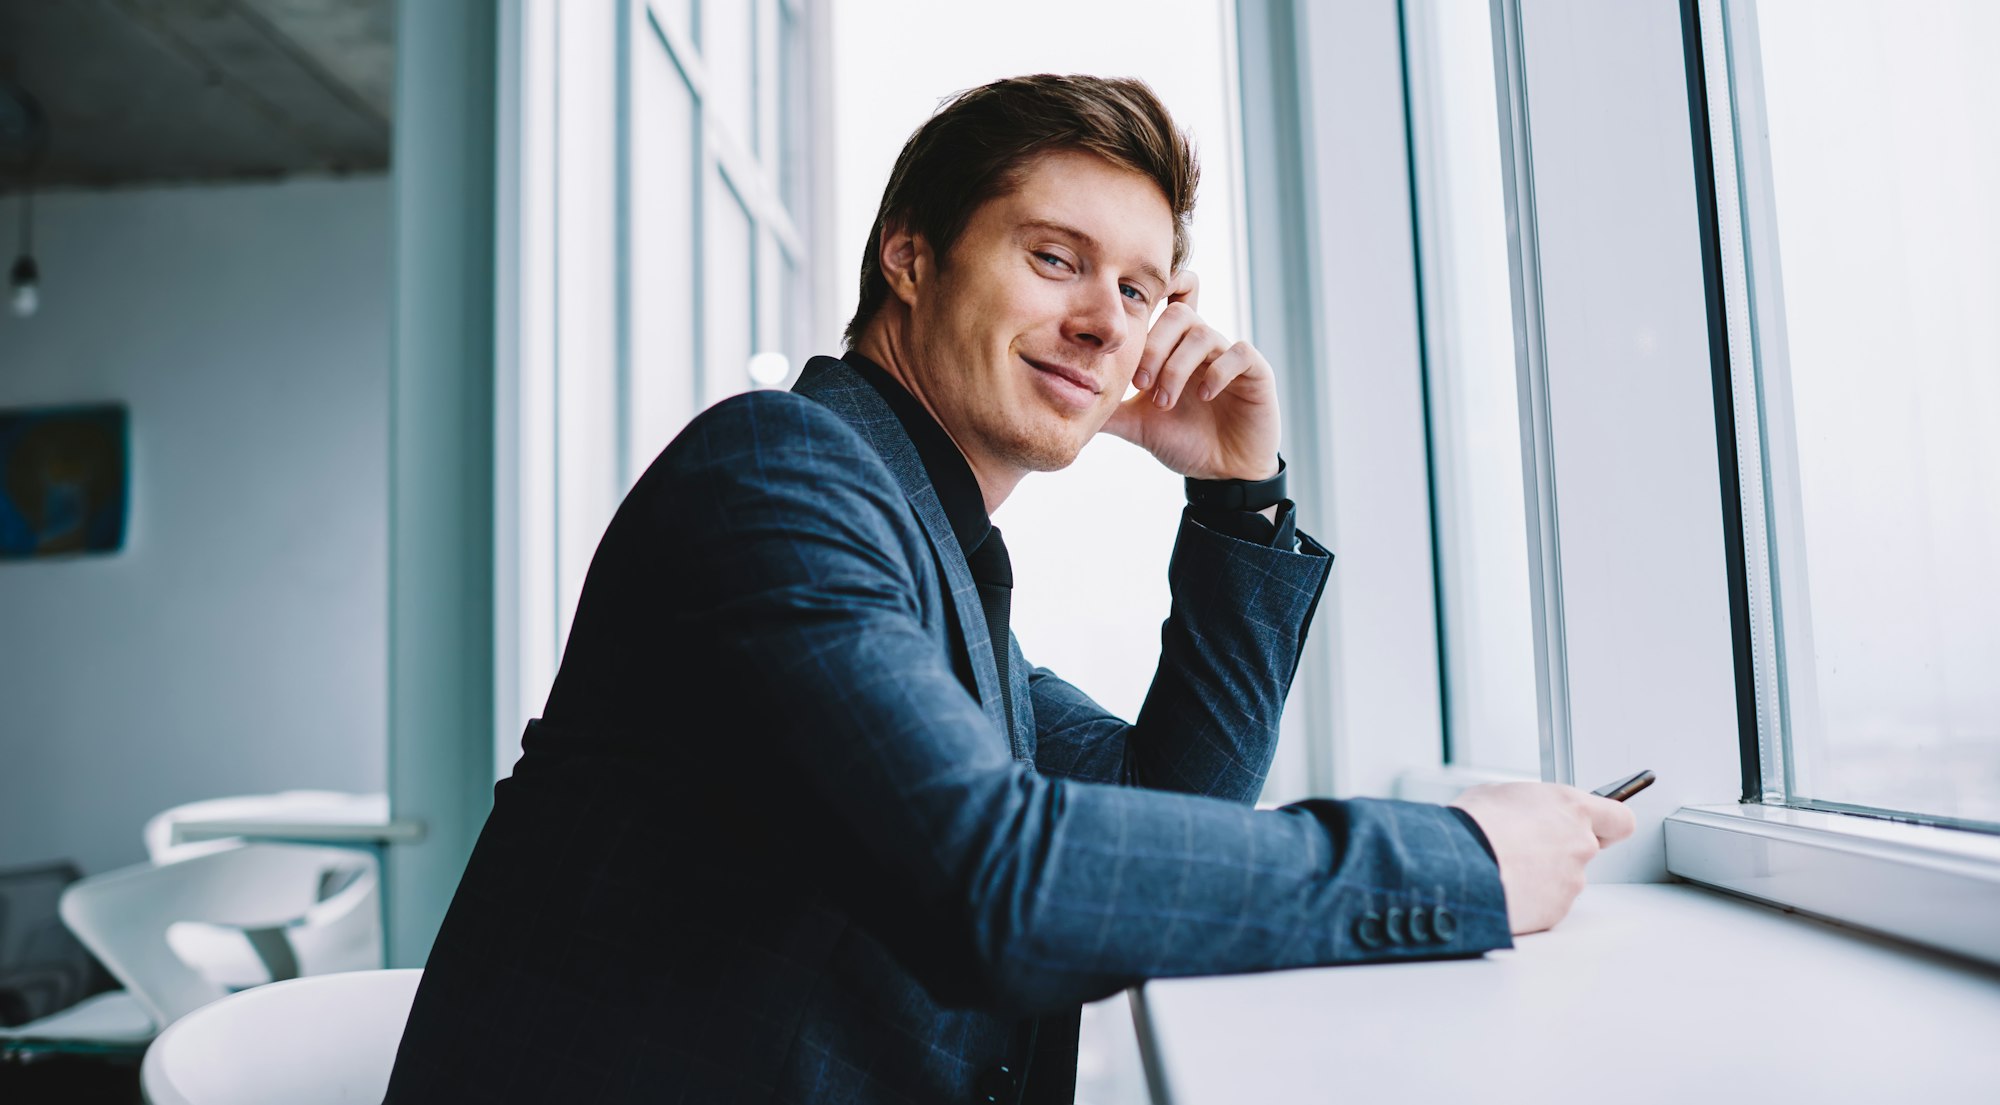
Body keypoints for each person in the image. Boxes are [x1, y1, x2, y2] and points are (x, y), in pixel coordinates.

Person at [386, 74, 1635, 1105]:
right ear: (909, 255)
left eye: (1138, 290)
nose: (1104, 323)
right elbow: (992, 880)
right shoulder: (774, 478)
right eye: (1054, 259)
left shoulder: (931, 566)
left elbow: (1166, 806)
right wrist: (1456, 863)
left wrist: (1233, 496)